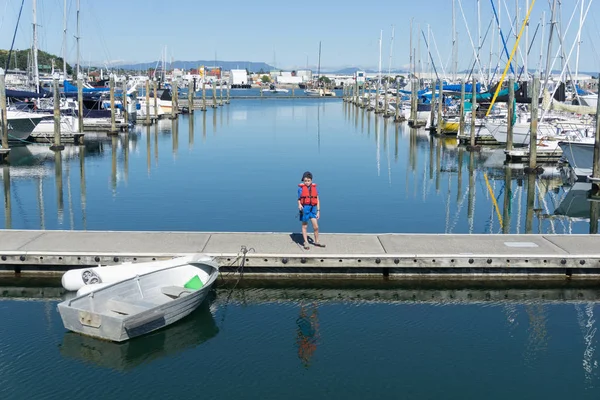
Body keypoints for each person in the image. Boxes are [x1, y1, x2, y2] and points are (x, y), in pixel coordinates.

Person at [298, 171, 325, 250]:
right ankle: (305, 242)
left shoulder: (314, 188)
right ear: (303, 180)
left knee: (316, 226)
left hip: (313, 209)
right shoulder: (300, 189)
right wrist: (299, 205)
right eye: (305, 181)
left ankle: (316, 241)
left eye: (308, 180)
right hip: (305, 209)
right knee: (304, 226)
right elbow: (299, 199)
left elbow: (317, 199)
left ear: (311, 180)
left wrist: (318, 211)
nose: (307, 182)